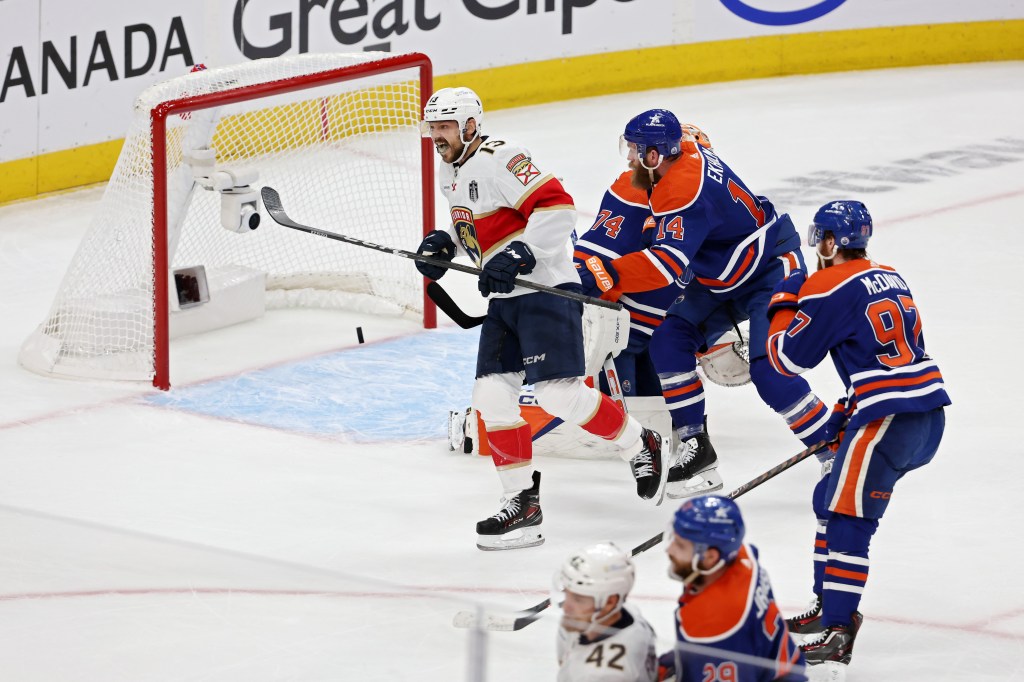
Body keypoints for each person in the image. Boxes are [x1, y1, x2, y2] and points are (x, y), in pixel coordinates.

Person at [416, 87, 666, 551]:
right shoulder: (449, 168)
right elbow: (470, 221)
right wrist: (443, 243)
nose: (437, 136)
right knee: (491, 398)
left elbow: (557, 205)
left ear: (471, 125)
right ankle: (522, 506)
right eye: (432, 127)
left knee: (557, 395)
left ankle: (639, 444)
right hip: (505, 298)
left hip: (546, 288)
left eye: (445, 127)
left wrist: (521, 251)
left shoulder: (502, 157)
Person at [593, 109, 831, 499]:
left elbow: (666, 265)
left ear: (656, 155)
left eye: (636, 151)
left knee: (770, 374)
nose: (630, 159)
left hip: (769, 268)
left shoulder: (683, 185)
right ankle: (695, 446)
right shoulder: (680, 153)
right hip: (719, 277)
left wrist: (605, 273)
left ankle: (835, 448)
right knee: (668, 341)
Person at [765, 200, 950, 669]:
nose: (817, 248)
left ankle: (838, 630)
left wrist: (784, 304)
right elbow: (891, 356)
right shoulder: (891, 275)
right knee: (828, 496)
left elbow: (786, 360)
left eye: (819, 238)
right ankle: (828, 606)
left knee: (849, 519)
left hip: (888, 419)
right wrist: (849, 410)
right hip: (922, 412)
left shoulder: (827, 284)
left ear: (830, 242)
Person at [661, 495, 806, 681]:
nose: (669, 549)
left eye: (680, 545)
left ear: (711, 557)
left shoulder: (712, 626)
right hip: (782, 667)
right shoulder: (742, 557)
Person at [555, 542, 658, 681]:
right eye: (567, 594)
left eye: (578, 599)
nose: (566, 608)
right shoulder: (631, 613)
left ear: (610, 602)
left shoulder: (605, 675)